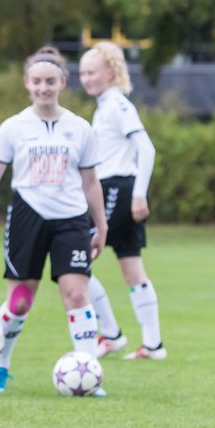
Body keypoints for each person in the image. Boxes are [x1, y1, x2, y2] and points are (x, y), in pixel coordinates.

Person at [0, 46, 108, 395]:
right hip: (27, 216)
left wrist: (101, 224)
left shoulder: (80, 128)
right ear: (27, 84)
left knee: (77, 294)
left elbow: (91, 182)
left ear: (62, 82)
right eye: (37, 82)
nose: (44, 87)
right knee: (19, 301)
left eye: (50, 81)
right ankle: (0, 366)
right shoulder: (13, 127)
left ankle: (89, 373)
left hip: (72, 219)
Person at [78, 41, 166, 360]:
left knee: (76, 259)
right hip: (114, 187)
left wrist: (139, 194)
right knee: (131, 268)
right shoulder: (105, 106)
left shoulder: (117, 106)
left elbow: (147, 148)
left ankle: (112, 335)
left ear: (110, 72)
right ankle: (153, 345)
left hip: (116, 189)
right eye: (82, 73)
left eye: (91, 72)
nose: (85, 79)